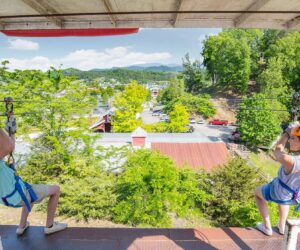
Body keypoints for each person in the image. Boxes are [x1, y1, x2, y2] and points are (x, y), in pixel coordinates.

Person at [0, 116, 67, 235]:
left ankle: (21, 226)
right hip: (17, 195)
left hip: (7, 198)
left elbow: (9, 148)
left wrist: (12, 132)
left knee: (30, 192)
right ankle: (50, 225)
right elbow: (9, 147)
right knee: (56, 189)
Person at [255, 122, 300, 236]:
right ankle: (281, 226)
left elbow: (277, 151)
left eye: (293, 139)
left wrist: (286, 133)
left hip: (279, 192)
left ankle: (267, 227)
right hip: (295, 195)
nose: (290, 141)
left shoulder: (292, 161)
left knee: (257, 192)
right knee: (284, 197)